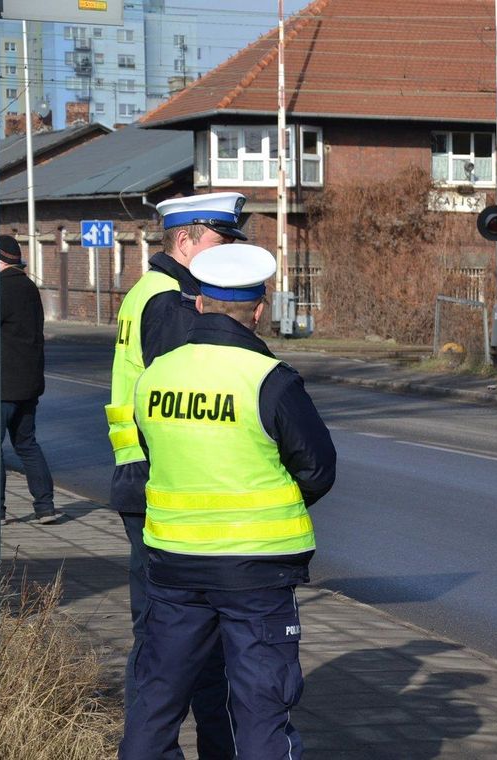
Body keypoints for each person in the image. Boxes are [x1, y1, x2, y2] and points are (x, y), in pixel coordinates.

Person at [119, 243, 336, 759]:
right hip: (255, 573)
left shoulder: (155, 377)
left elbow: (154, 453)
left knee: (156, 702)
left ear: (197, 304)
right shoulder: (270, 381)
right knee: (260, 708)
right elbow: (318, 470)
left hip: (172, 566)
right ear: (258, 312)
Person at [104, 192, 247, 756]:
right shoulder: (169, 303)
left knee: (183, 634)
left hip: (149, 482)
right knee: (168, 638)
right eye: (222, 238)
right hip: (163, 485)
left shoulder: (154, 292)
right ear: (185, 241)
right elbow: (189, 397)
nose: (230, 249)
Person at [0, 235, 56, 526]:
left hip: (3, 386)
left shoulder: (1, 290)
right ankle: (45, 506)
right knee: (27, 444)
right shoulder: (29, 287)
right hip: (29, 384)